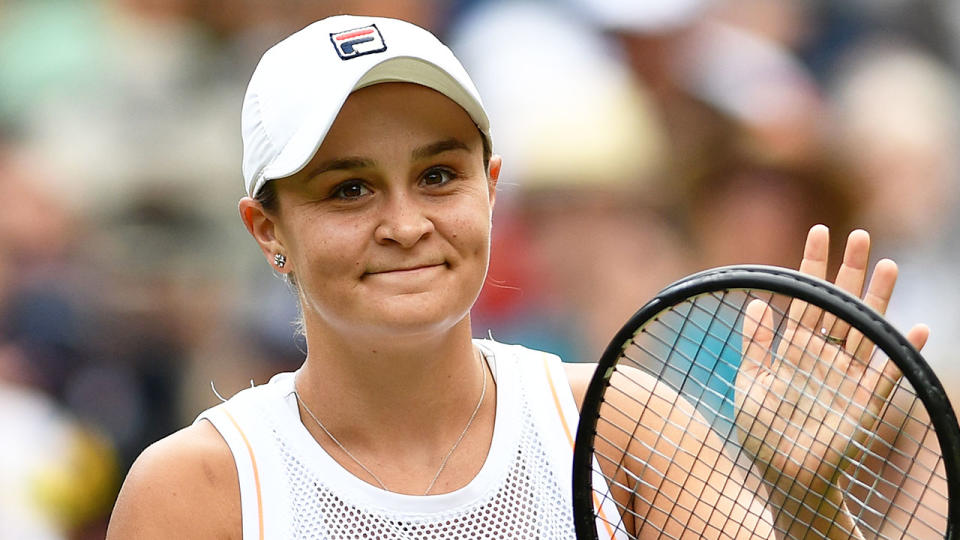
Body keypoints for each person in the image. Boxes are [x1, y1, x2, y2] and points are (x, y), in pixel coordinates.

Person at [105, 15, 930, 539]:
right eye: (348, 189)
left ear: (490, 191)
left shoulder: (622, 428)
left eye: (438, 176)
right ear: (266, 231)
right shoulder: (195, 490)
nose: (405, 223)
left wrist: (815, 503)